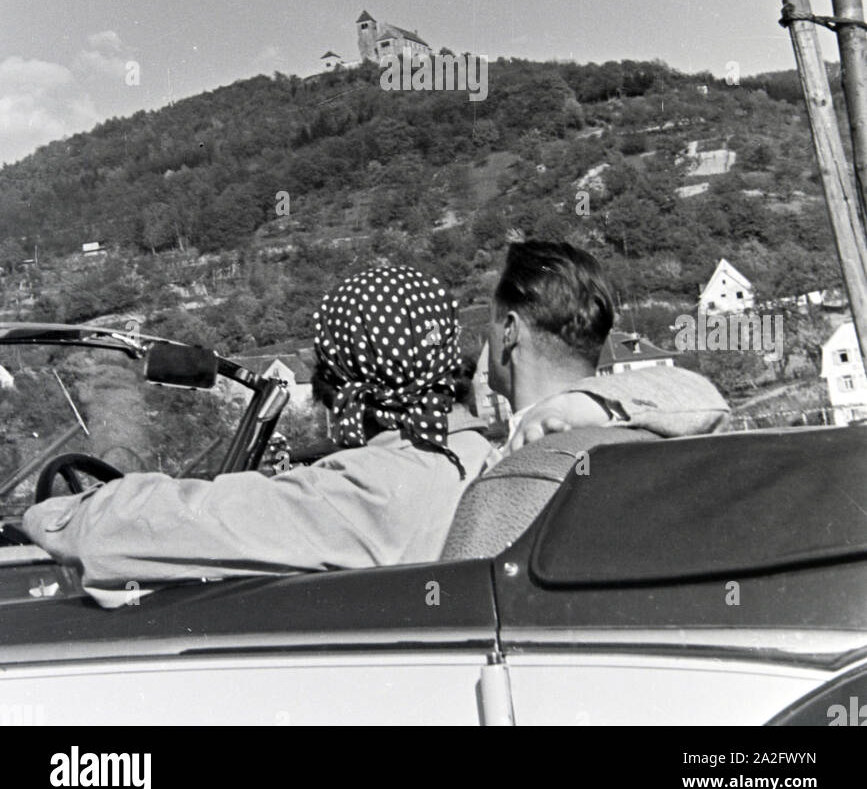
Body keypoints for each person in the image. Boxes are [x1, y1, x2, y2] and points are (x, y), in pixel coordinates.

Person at [23, 266, 492, 605]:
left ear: (341, 379)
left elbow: (155, 526)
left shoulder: (372, 489)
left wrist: (54, 515)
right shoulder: (475, 451)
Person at [440, 239, 729, 559]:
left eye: (490, 325)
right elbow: (705, 398)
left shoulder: (508, 474)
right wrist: (593, 402)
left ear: (509, 330)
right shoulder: (648, 433)